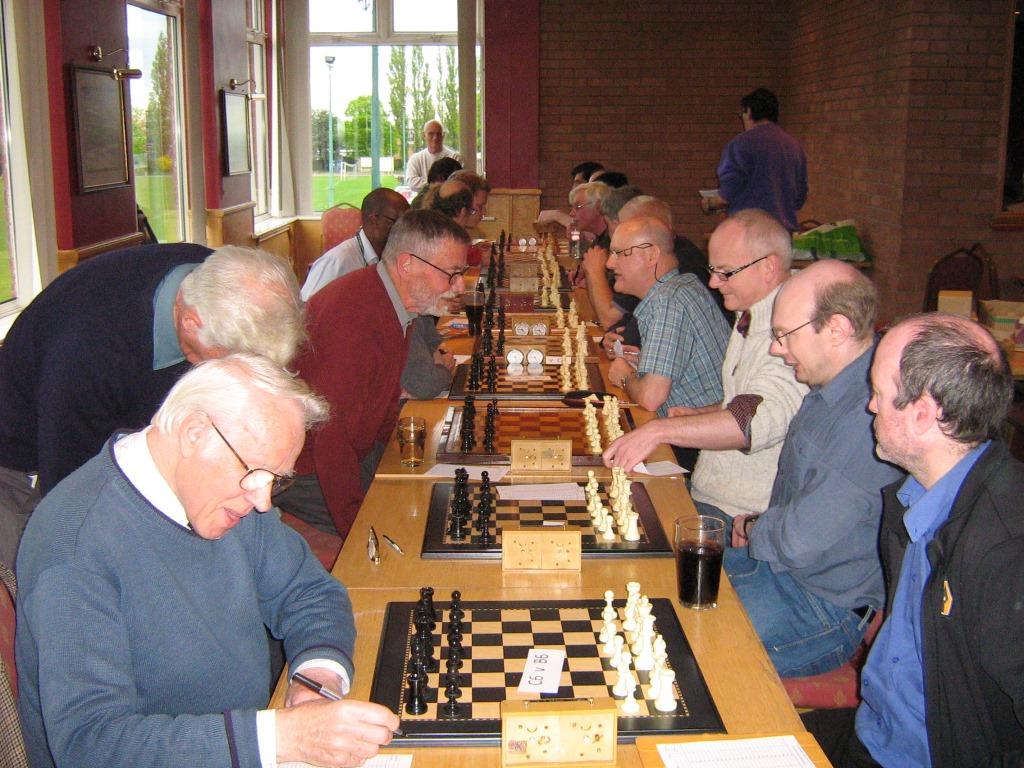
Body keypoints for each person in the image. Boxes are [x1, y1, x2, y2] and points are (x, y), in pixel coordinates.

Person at [16, 354, 400, 768]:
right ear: (194, 433)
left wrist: (315, 680)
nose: (263, 500)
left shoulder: (228, 498)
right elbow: (91, 744)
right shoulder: (75, 546)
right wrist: (278, 738)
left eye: (275, 479)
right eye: (256, 473)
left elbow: (308, 591)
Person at [804, 313, 1024, 768]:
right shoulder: (913, 498)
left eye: (880, 396)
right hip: (869, 733)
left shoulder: (1006, 551)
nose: (869, 407)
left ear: (922, 413)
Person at [0, 243, 306, 568]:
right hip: (23, 467)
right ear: (191, 322)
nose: (236, 374)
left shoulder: (217, 277)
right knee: (58, 570)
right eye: (228, 360)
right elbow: (70, 490)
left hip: (120, 442)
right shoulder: (87, 351)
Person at [725, 260, 903, 677]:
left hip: (823, 608)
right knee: (664, 587)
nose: (775, 348)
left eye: (784, 335)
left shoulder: (867, 416)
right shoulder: (834, 387)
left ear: (837, 329)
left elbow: (800, 540)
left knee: (683, 642)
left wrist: (754, 529)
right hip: (782, 570)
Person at [604, 209, 808, 537]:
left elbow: (756, 420)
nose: (712, 283)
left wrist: (659, 430)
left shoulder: (790, 330)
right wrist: (702, 413)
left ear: (768, 266)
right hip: (713, 492)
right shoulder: (750, 315)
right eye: (714, 271)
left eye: (726, 273)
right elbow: (754, 400)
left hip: (737, 514)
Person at [283, 210, 470, 540]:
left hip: (355, 451)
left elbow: (380, 404)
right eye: (451, 274)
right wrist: (358, 525)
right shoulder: (353, 316)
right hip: (308, 471)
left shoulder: (396, 305)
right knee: (402, 531)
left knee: (430, 501)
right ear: (407, 264)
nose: (460, 285)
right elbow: (331, 435)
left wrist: (400, 464)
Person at [605, 217, 729, 470]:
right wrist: (642, 363)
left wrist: (625, 375)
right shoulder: (684, 285)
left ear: (651, 254)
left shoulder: (667, 302)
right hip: (698, 436)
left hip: (702, 451)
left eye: (619, 253)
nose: (609, 263)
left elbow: (651, 398)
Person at [703, 88, 807, 232]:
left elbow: (728, 193)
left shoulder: (740, 144)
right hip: (783, 233)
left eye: (742, 114)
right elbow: (799, 197)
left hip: (749, 234)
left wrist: (710, 203)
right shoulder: (794, 146)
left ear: (749, 112)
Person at [301, 188, 410, 300]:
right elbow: (308, 310)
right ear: (374, 221)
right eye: (397, 222)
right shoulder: (338, 262)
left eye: (407, 223)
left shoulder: (392, 258)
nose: (404, 230)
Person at [404, 119, 460, 192]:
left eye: (438, 134)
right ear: (424, 135)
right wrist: (441, 184)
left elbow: (458, 182)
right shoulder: (415, 159)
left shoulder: (455, 157)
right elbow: (412, 182)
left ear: (443, 135)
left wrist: (428, 184)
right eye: (431, 134)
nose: (435, 138)